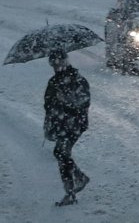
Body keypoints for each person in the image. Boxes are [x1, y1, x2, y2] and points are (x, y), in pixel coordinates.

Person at [44, 50, 91, 206]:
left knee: (61, 153)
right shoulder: (53, 82)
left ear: (65, 61)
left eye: (58, 63)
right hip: (61, 124)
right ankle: (79, 178)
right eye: (53, 64)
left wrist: (65, 103)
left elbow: (83, 104)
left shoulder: (78, 80)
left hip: (75, 124)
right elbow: (47, 104)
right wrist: (54, 106)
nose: (56, 66)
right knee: (60, 153)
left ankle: (71, 192)